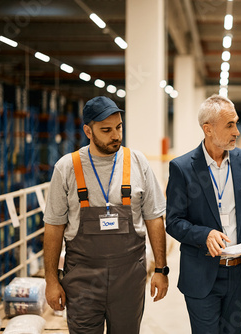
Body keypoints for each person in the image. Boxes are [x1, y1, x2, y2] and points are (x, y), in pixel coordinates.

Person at [43, 96, 168, 334]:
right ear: (88, 131)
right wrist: (51, 281)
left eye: (119, 127)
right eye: (107, 130)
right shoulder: (67, 167)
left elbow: (154, 218)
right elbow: (54, 226)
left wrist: (161, 270)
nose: (116, 136)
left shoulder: (138, 163)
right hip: (82, 280)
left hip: (129, 278)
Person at [166, 94, 241, 334]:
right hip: (202, 274)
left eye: (236, 123)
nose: (237, 132)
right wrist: (204, 235)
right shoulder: (182, 168)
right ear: (208, 129)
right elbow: (173, 221)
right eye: (230, 125)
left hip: (239, 273)